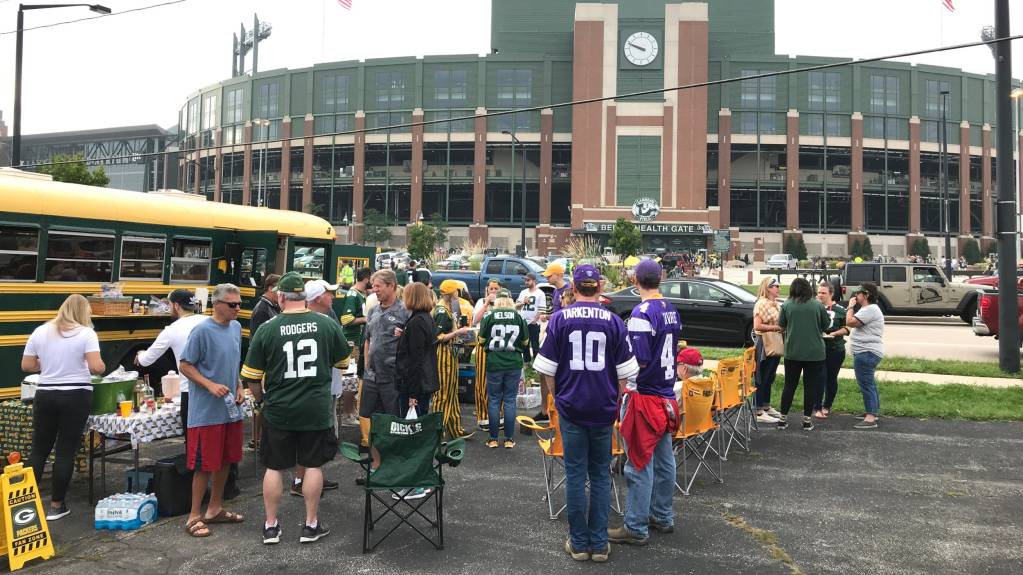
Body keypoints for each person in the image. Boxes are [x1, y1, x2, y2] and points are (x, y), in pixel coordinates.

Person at [532, 265, 639, 563]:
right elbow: (625, 374)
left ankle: (579, 543)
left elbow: (546, 370)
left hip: (572, 407)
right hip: (602, 408)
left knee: (576, 475)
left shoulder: (560, 319)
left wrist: (558, 398)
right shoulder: (615, 322)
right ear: (600, 287)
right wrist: (613, 400)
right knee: (601, 476)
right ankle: (599, 543)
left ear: (574, 288)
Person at [241, 272, 350, 545]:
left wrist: (262, 400)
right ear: (303, 296)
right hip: (315, 407)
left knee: (274, 467)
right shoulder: (325, 324)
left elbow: (252, 377)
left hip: (279, 408)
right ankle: (311, 525)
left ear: (280, 297)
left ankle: (270, 526)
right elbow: (343, 363)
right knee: (313, 465)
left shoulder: (267, 328)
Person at [609, 260, 681, 546]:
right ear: (660, 279)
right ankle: (662, 515)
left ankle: (636, 525)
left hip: (645, 395)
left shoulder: (641, 312)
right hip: (666, 394)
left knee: (638, 462)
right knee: (665, 460)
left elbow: (638, 359)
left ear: (636, 279)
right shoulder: (671, 309)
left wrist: (617, 381)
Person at [22, 294, 104, 521]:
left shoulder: (41, 331)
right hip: (76, 395)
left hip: (46, 393)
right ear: (83, 312)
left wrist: (48, 362)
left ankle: (26, 504)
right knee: (65, 450)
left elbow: (27, 365)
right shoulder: (87, 333)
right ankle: (56, 506)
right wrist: (99, 365)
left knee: (39, 449)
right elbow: (97, 367)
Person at [178, 284, 246, 538]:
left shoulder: (237, 328)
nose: (238, 308)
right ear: (217, 304)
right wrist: (209, 384)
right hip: (206, 410)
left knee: (226, 459)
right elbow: (185, 365)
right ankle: (194, 515)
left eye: (239, 304)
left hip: (230, 407)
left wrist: (238, 385)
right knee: (203, 463)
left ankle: (214, 508)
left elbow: (233, 361)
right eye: (232, 305)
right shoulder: (202, 330)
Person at [135, 289, 207, 452]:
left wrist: (140, 355)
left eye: (168, 305)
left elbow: (147, 360)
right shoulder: (210, 321)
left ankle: (194, 476)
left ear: (176, 305)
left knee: (195, 446)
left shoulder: (172, 329)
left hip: (191, 392)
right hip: (216, 388)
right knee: (216, 441)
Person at [359, 270, 410, 454]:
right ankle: (375, 468)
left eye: (379, 286)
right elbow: (367, 339)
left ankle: (392, 469)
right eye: (373, 286)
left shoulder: (405, 312)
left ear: (392, 286)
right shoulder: (373, 310)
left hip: (393, 378)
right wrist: (366, 367)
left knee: (393, 423)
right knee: (374, 422)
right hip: (372, 377)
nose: (375, 289)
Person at [477, 289, 531, 449]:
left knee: (494, 400)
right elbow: (526, 341)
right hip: (513, 363)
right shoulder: (518, 317)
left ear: (497, 301)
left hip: (494, 363)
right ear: (510, 301)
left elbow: (481, 340)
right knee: (509, 401)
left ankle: (493, 439)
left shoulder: (489, 317)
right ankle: (509, 439)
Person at [776, 278, 829, 431]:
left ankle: (783, 419)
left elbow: (782, 325)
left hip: (793, 351)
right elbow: (826, 325)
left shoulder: (786, 304)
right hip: (814, 353)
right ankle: (806, 420)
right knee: (810, 386)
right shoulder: (817, 305)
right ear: (808, 289)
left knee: (789, 385)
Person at [433, 280, 473, 440]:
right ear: (451, 293)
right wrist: (457, 333)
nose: (459, 293)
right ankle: (436, 431)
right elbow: (437, 337)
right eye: (456, 291)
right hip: (444, 355)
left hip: (450, 354)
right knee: (443, 394)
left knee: (451, 394)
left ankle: (455, 429)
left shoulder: (447, 307)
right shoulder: (442, 311)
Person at [396, 282, 439, 418]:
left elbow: (416, 358)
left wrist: (412, 394)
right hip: (423, 381)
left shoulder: (417, 322)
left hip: (417, 385)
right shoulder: (426, 318)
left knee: (413, 428)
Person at [846, 282, 884, 430]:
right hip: (867, 352)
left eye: (858, 293)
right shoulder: (868, 309)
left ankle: (871, 417)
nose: (856, 295)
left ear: (866, 295)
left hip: (866, 352)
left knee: (866, 384)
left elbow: (850, 322)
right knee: (869, 383)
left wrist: (850, 306)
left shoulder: (870, 309)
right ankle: (873, 411)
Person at [339, 268, 371, 426]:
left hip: (358, 342)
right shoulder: (352, 294)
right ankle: (347, 414)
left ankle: (352, 411)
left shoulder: (361, 294)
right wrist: (366, 319)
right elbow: (346, 319)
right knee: (349, 379)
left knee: (354, 379)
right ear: (366, 279)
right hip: (351, 343)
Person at [752, 277, 783, 424]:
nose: (778, 288)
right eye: (775, 286)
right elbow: (757, 326)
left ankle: (766, 405)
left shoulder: (775, 303)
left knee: (770, 376)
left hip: (775, 341)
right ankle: (758, 410)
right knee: (761, 376)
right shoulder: (761, 304)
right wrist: (776, 327)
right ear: (768, 288)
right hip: (764, 343)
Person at [813, 282, 847, 418]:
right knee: (819, 377)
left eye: (823, 293)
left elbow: (847, 328)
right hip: (817, 349)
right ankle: (817, 407)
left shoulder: (840, 310)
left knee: (831, 378)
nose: (820, 295)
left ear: (831, 294)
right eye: (819, 292)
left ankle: (827, 405)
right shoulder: (813, 308)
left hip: (835, 348)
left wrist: (835, 333)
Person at [472, 279, 502, 431]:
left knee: (500, 381)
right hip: (484, 345)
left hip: (500, 346)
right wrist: (486, 304)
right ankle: (484, 417)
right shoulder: (481, 302)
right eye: (491, 289)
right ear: (487, 290)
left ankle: (500, 416)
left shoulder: (504, 303)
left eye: (496, 289)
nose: (493, 292)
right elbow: (474, 321)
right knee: (482, 381)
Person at [516, 272, 546, 361]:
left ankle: (536, 363)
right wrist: (523, 302)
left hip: (534, 322)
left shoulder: (540, 293)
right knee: (524, 343)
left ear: (534, 281)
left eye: (528, 280)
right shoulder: (523, 292)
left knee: (535, 344)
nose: (526, 282)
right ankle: (527, 361)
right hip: (524, 321)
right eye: (525, 280)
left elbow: (542, 309)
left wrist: (535, 320)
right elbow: (517, 306)